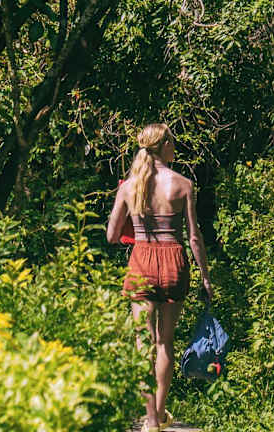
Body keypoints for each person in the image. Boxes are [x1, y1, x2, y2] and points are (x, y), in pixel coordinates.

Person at [107, 123, 213, 432]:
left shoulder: (129, 186)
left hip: (141, 259)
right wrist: (205, 277)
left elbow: (112, 235)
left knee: (144, 342)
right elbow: (194, 237)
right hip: (173, 261)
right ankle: (161, 411)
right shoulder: (183, 185)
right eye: (173, 142)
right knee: (165, 342)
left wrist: (137, 228)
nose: (175, 147)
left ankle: (150, 419)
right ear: (164, 145)